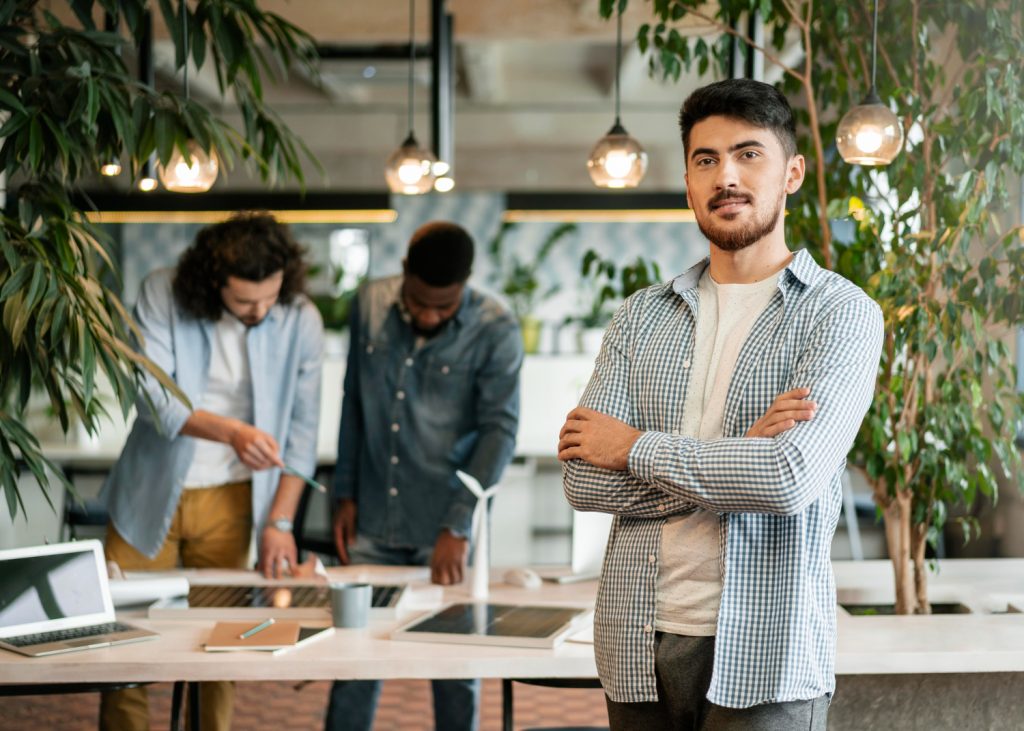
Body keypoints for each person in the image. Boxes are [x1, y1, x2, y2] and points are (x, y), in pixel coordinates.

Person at [559, 79, 884, 730]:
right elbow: (581, 476)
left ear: (792, 173)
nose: (725, 176)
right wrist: (733, 463)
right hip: (636, 642)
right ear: (687, 180)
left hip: (771, 650)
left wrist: (632, 448)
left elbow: (788, 477)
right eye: (706, 159)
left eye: (748, 154)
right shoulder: (641, 316)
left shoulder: (840, 313)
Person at [99, 213, 324, 731]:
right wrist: (234, 433)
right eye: (246, 301)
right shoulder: (163, 292)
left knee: (224, 641)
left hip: (234, 498)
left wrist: (280, 522)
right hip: (150, 491)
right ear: (213, 283)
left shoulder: (300, 318)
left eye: (269, 297)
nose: (260, 310)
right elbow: (151, 397)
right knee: (122, 639)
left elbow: (302, 434)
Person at [324, 221, 523, 731]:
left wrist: (458, 525)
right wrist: (343, 492)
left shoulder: (495, 327)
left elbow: (499, 432)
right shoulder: (369, 305)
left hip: (447, 524)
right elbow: (354, 404)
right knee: (354, 657)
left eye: (444, 306)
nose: (430, 315)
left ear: (466, 285)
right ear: (404, 273)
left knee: (454, 661)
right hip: (372, 518)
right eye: (419, 302)